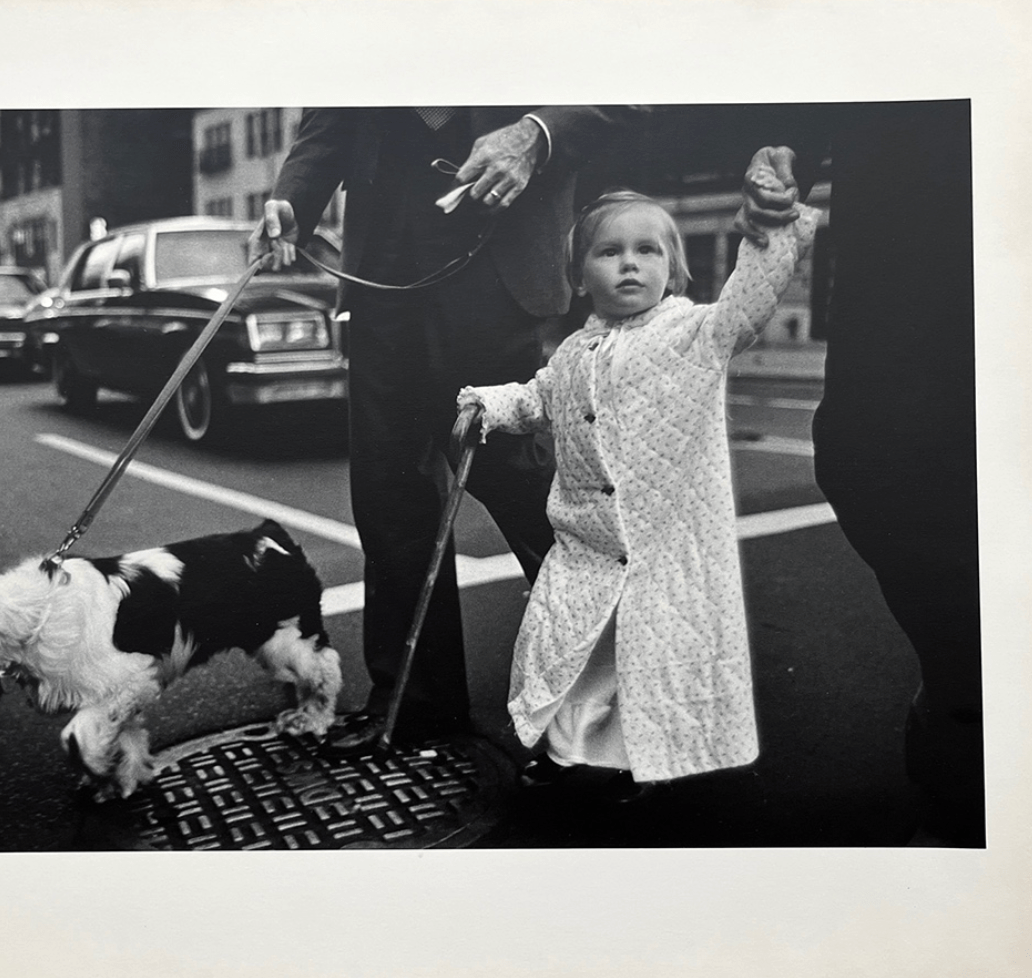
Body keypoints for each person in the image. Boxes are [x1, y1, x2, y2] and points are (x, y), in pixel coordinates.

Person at [250, 106, 635, 754]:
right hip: (381, 286)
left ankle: (622, 707)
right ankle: (415, 704)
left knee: (538, 497)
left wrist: (535, 133)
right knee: (390, 500)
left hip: (498, 278)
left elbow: (620, 91)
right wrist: (292, 201)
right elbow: (330, 122)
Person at [456, 176, 819, 794]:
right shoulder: (574, 352)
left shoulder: (695, 335)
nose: (629, 263)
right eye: (609, 251)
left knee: (642, 663)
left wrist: (772, 237)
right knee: (566, 648)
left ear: (673, 269)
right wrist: (487, 406)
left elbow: (750, 302)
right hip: (586, 545)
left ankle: (612, 762)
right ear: (578, 277)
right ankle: (572, 752)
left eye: (648, 250)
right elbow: (538, 398)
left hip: (663, 549)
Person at [738, 101, 983, 846]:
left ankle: (969, 726)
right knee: (863, 455)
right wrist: (783, 153)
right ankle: (960, 681)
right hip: (903, 213)